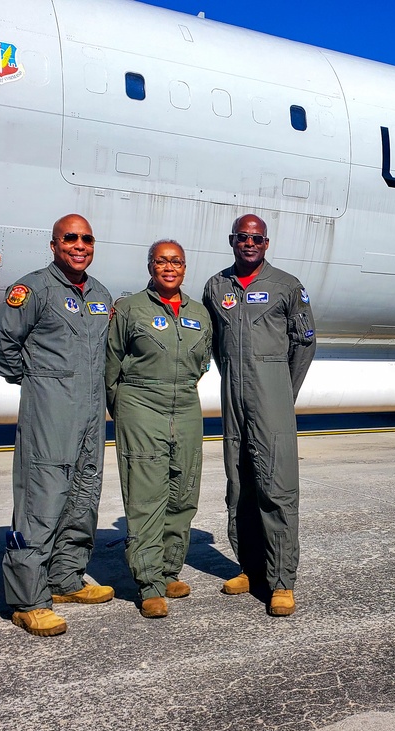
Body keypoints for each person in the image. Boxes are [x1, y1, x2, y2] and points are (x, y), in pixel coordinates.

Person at [0, 214, 115, 637]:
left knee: (83, 493)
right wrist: (40, 381)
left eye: (87, 239)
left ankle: (65, 579)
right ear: (55, 244)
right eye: (70, 238)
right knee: (42, 497)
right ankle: (27, 599)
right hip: (50, 410)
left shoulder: (99, 293)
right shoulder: (35, 289)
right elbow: (0, 348)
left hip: (92, 413)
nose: (79, 245)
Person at [202, 214, 316, 617]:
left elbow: (304, 343)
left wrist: (282, 390)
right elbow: (215, 342)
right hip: (233, 395)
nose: (249, 243)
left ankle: (281, 580)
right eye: (242, 237)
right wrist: (236, 375)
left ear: (266, 244)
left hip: (272, 395)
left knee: (277, 488)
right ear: (232, 240)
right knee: (241, 484)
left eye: (256, 238)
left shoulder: (286, 286)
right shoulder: (217, 286)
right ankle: (250, 568)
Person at [106, 240, 212, 618]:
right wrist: (125, 406)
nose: (170, 267)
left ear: (185, 267)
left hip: (184, 404)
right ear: (150, 265)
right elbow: (112, 364)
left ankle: (169, 571)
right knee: (146, 494)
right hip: (141, 404)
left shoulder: (199, 313)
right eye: (162, 261)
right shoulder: (130, 308)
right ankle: (149, 583)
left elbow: (203, 364)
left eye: (177, 261)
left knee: (183, 491)